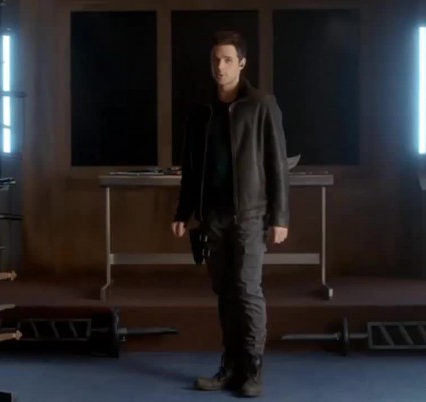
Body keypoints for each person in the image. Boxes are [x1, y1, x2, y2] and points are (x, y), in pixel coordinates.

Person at [171, 30, 290, 398]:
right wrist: (183, 212)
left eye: (227, 60)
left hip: (250, 215)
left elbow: (277, 163)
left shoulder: (261, 104)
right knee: (224, 292)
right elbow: (191, 167)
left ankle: (252, 370)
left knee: (247, 290)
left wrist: (281, 217)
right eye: (215, 60)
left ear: (242, 63)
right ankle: (231, 366)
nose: (220, 67)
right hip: (213, 216)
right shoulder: (201, 109)